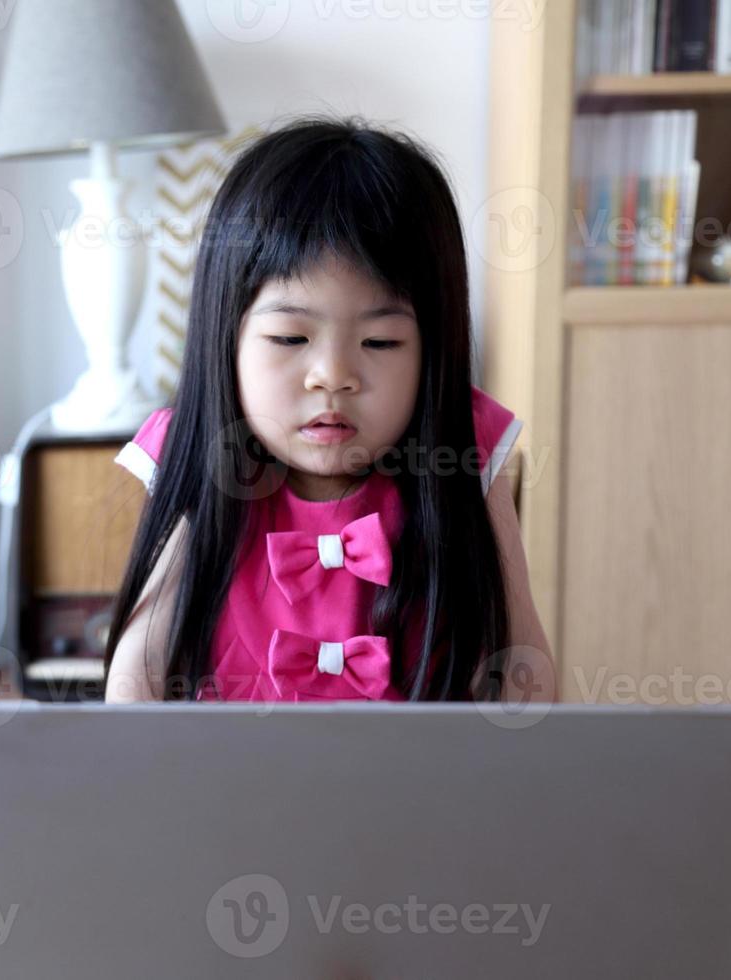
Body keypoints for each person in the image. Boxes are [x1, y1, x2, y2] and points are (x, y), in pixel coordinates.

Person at [103, 115, 552, 704]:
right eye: (290, 339)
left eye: (381, 343)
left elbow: (520, 668)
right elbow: (139, 676)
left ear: (433, 351)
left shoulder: (463, 449)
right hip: (229, 789)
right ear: (226, 339)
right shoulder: (195, 450)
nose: (333, 376)